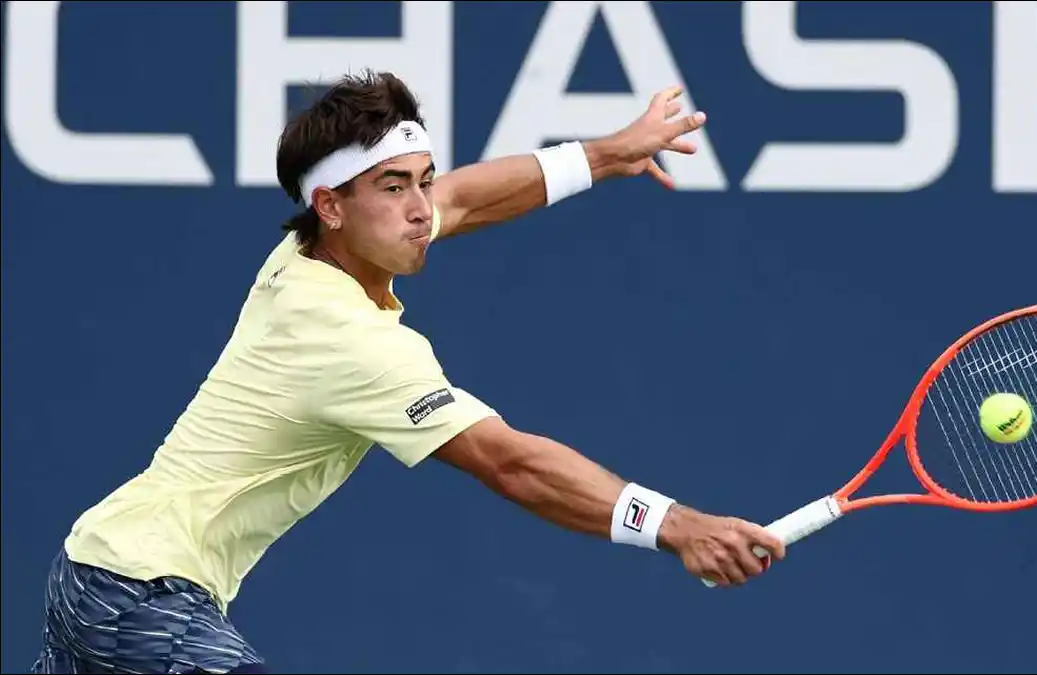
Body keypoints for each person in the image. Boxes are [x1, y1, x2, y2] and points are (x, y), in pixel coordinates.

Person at [31, 70, 786, 675]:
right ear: (331, 204)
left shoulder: (307, 253)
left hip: (93, 567)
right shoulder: (353, 342)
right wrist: (677, 524)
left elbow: (461, 199)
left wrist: (603, 154)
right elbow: (510, 461)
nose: (422, 207)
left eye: (422, 179)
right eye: (394, 187)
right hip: (138, 594)